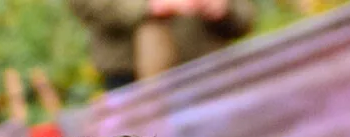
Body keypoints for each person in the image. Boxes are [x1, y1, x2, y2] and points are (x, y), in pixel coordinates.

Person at [67, 0, 259, 89]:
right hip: (130, 78)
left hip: (208, 73)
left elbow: (244, 15)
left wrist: (225, 7)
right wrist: (148, 6)